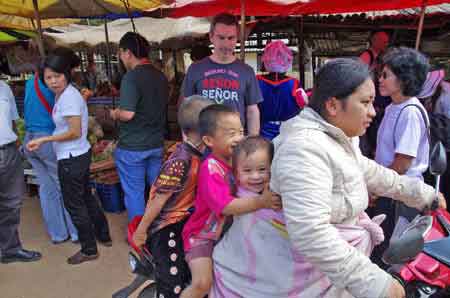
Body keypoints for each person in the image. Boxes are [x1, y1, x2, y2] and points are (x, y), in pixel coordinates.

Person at [269, 58, 446, 298]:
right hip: (305, 278)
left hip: (333, 270)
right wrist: (376, 284)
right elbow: (311, 232)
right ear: (333, 106)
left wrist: (423, 194)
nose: (373, 112)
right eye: (365, 102)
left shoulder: (338, 136)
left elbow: (369, 171)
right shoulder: (303, 148)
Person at [179, 105, 281, 298]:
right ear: (209, 140)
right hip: (201, 236)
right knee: (202, 283)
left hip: (226, 233)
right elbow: (226, 206)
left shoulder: (234, 162)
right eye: (231, 133)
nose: (239, 138)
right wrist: (261, 202)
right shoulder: (210, 167)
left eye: (241, 131)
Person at [27, 53, 112, 265]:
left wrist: (46, 138)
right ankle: (103, 236)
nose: (53, 81)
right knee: (86, 197)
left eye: (57, 76)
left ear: (66, 74)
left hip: (71, 157)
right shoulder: (66, 94)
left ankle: (89, 249)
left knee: (75, 204)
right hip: (78, 154)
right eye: (48, 78)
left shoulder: (68, 97)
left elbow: (74, 132)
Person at [132, 95, 213, 298]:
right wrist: (141, 231)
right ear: (205, 132)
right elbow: (159, 198)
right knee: (172, 283)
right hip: (166, 229)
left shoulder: (199, 155)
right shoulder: (181, 161)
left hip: (184, 223)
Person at [211, 136, 300, 297]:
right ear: (236, 171)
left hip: (279, 259)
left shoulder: (278, 192)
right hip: (244, 258)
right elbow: (227, 209)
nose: (255, 176)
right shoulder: (237, 194)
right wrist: (260, 202)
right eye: (247, 171)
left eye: (262, 169)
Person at [371, 47, 431, 267]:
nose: (380, 79)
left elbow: (403, 164)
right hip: (389, 189)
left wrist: (377, 187)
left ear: (404, 79)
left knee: (391, 255)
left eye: (386, 75)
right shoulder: (393, 107)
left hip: (401, 194)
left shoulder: (410, 112)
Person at [110, 32, 169, 221]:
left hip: (133, 147)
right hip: (156, 144)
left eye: (120, 53)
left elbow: (127, 114)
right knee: (156, 191)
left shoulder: (131, 77)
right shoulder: (160, 76)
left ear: (128, 53)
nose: (121, 57)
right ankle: (158, 229)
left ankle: (137, 235)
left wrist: (114, 113)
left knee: (134, 193)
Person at [23, 49, 78, 244]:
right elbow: (69, 114)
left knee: (46, 188)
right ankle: (76, 232)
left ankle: (58, 234)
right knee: (64, 186)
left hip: (29, 140)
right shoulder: (55, 86)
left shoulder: (32, 81)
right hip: (46, 140)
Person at [182, 13, 263, 136]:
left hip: (235, 145)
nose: (226, 44)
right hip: (204, 144)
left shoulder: (247, 71)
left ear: (237, 38)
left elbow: (252, 111)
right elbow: (187, 109)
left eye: (231, 38)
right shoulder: (195, 69)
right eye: (221, 38)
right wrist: (188, 144)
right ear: (211, 37)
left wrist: (252, 144)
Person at [0, 79, 42, 264]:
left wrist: (18, 145)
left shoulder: (4, 87)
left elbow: (12, 122)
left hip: (8, 151)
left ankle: (10, 249)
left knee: (12, 203)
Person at [257, 40, 307, 140]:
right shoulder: (294, 83)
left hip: (262, 132)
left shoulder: (257, 81)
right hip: (288, 132)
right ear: (288, 61)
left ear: (266, 60)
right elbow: (302, 107)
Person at [359, 31, 391, 158]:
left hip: (377, 99)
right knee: (371, 129)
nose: (386, 44)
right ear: (374, 41)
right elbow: (359, 77)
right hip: (371, 99)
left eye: (386, 41)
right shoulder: (367, 56)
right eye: (383, 41)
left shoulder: (380, 57)